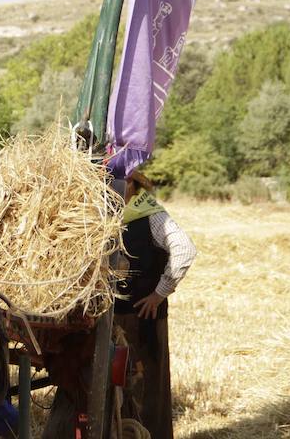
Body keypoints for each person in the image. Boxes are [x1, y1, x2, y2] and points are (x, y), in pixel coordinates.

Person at [115, 170, 196, 439]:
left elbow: (185, 248)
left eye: (116, 181)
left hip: (142, 319)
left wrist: (159, 293)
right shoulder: (106, 213)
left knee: (145, 391)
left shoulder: (149, 213)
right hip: (112, 319)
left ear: (131, 184)